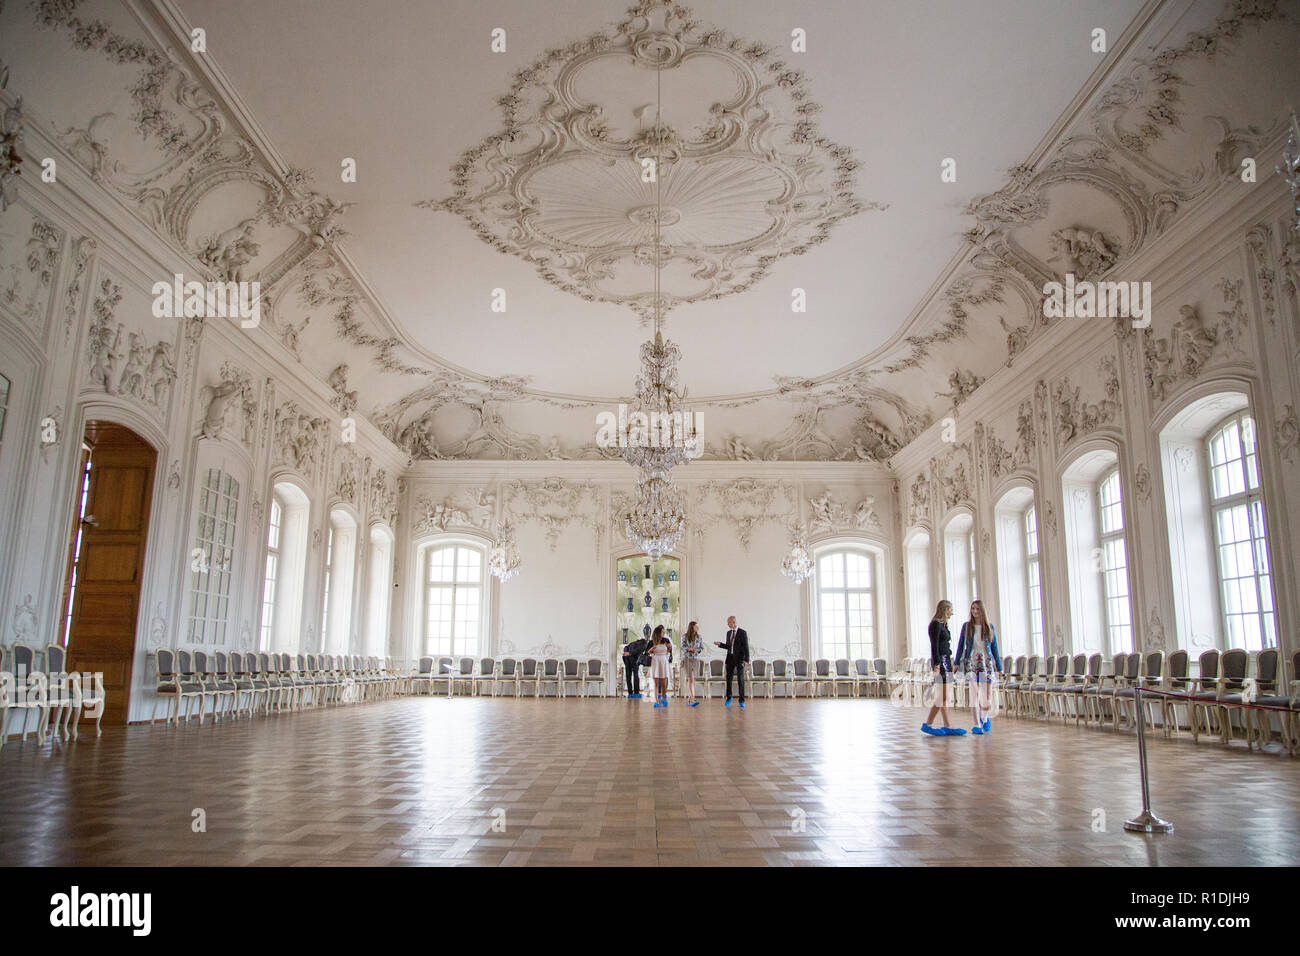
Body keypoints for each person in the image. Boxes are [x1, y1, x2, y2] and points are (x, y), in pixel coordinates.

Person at [954, 599, 1002, 734]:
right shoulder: (967, 626)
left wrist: (999, 667)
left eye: (977, 609)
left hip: (986, 663)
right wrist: (957, 662)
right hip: (972, 662)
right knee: (974, 694)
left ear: (982, 611)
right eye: (972, 609)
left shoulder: (989, 627)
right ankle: (976, 725)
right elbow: (960, 645)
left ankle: (984, 718)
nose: (974, 611)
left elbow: (995, 649)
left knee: (987, 697)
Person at [922, 600, 966, 736]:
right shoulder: (935, 624)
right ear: (945, 609)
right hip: (941, 662)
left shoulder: (943, 625)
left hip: (947, 661)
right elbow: (934, 646)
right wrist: (936, 665)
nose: (952, 613)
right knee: (943, 696)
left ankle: (947, 725)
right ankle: (928, 724)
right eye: (950, 610)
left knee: (945, 697)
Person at [714, 615, 750, 708]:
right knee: (728, 679)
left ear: (734, 622)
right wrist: (720, 644)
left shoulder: (742, 632)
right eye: (727, 623)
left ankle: (741, 700)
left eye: (729, 623)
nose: (728, 624)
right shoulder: (728, 633)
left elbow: (746, 647)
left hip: (740, 659)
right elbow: (729, 646)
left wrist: (746, 660)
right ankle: (729, 698)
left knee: (740, 680)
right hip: (730, 659)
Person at [680, 621, 704, 707]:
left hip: (696, 660)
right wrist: (689, 649)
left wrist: (697, 650)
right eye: (696, 626)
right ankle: (693, 698)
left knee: (693, 679)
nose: (697, 627)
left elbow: (701, 648)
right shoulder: (685, 636)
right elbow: (682, 647)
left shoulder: (699, 637)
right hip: (687, 659)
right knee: (690, 679)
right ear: (692, 627)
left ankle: (690, 699)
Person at [648, 626, 672, 708]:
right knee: (655, 682)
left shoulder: (666, 640)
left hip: (664, 661)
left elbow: (668, 652)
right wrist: (650, 650)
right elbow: (647, 653)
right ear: (658, 633)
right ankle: (656, 701)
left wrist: (669, 648)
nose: (664, 633)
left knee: (663, 682)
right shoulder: (652, 642)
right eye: (662, 632)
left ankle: (663, 698)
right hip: (655, 661)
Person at [622, 634, 649, 699]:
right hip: (633, 659)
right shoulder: (644, 644)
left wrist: (627, 652)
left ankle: (630, 692)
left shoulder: (634, 643)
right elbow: (638, 650)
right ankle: (636, 692)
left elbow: (626, 647)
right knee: (635, 675)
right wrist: (629, 653)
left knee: (628, 675)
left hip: (627, 658)